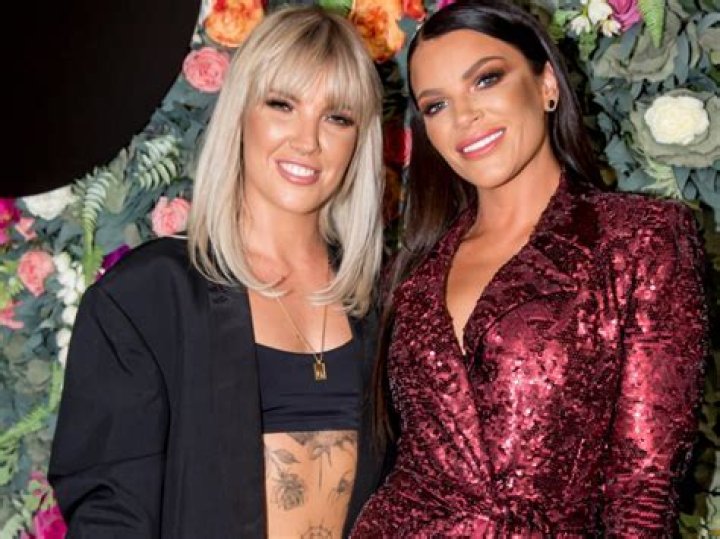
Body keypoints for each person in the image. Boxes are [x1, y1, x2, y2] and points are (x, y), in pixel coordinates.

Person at [351, 0, 709, 536]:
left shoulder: (638, 240)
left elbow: (643, 490)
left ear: (546, 85)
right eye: (436, 105)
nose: (464, 117)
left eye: (486, 80)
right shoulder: (413, 274)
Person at [49, 6, 385, 538]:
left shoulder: (383, 302)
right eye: (282, 104)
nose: (308, 140)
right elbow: (111, 516)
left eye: (337, 117)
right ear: (241, 113)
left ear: (359, 139)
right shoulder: (146, 298)